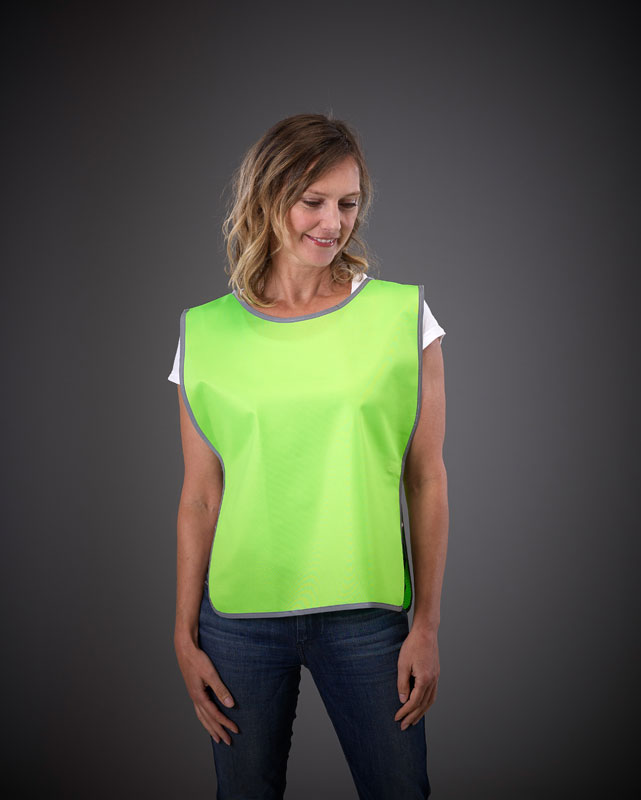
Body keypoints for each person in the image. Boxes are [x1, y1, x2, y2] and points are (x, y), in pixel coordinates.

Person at [168, 113, 449, 799]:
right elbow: (200, 495)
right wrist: (182, 633)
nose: (333, 223)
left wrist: (426, 625)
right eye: (312, 201)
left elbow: (425, 479)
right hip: (238, 623)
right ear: (267, 199)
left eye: (348, 203)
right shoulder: (205, 332)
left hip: (366, 617)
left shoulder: (403, 318)